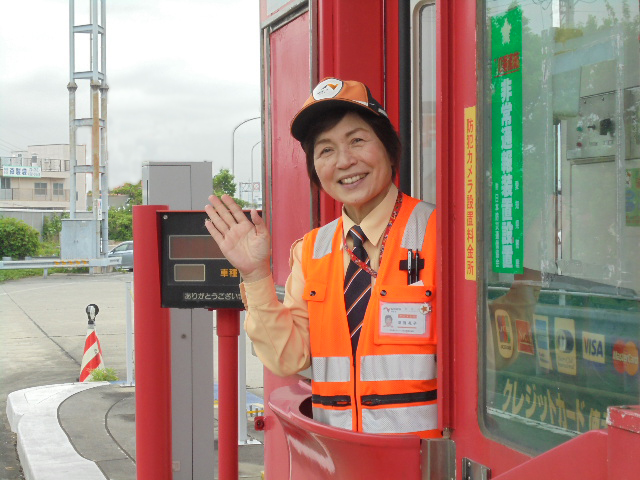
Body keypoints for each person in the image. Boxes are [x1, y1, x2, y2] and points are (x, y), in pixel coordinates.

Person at [205, 78, 439, 438]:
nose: (345, 161)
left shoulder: (441, 233)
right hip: (340, 456)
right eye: (325, 150)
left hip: (426, 459)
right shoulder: (312, 249)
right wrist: (254, 276)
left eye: (357, 141)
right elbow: (291, 359)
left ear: (390, 150)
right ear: (315, 170)